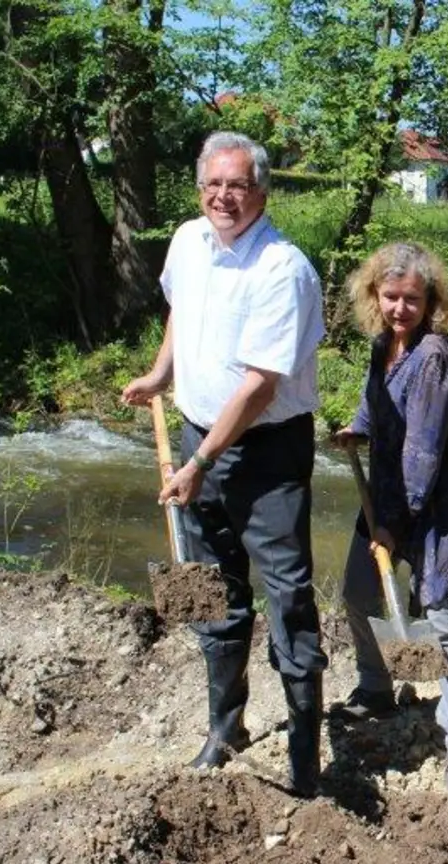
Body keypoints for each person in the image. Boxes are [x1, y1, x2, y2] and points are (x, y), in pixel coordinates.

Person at [121, 131, 328, 797]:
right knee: (212, 589)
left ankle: (304, 751)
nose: (224, 196)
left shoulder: (283, 269)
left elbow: (260, 385)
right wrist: (160, 375)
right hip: (197, 436)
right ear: (200, 187)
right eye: (214, 184)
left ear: (262, 193)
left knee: (289, 594)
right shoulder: (188, 240)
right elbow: (182, 309)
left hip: (266, 452)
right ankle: (225, 727)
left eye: (237, 185)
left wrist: (203, 462)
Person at [331, 242, 448, 799]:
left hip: (443, 506)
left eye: (412, 298)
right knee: (358, 592)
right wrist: (358, 428)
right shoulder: (386, 343)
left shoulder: (433, 356)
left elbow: (423, 453)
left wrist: (391, 524)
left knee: (446, 619)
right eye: (391, 296)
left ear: (431, 300)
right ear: (374, 295)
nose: (400, 308)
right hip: (392, 496)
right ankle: (376, 687)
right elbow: (375, 399)